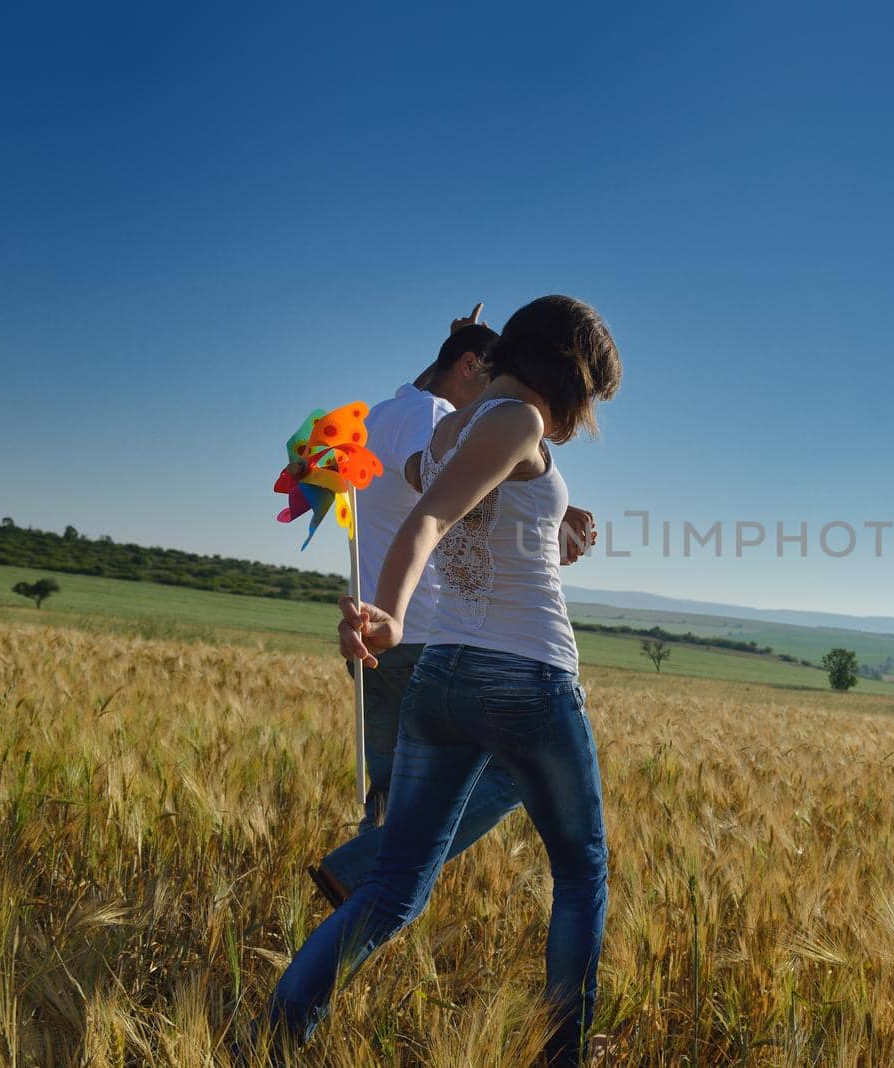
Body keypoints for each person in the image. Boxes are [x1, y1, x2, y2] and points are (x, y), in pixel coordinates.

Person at [260, 295, 622, 1066]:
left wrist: (554, 526)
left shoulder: (456, 428)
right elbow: (428, 517)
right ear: (568, 371)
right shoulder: (518, 420)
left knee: (393, 889)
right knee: (583, 872)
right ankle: (564, 1056)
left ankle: (276, 1033)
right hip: (528, 676)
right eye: (588, 394)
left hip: (446, 678)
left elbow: (461, 505)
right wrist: (388, 613)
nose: (581, 415)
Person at [308, 305, 596, 904]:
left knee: (391, 794)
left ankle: (359, 896)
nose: (493, 396)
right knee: (497, 782)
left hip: (374, 629)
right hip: (423, 631)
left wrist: (460, 343)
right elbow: (433, 482)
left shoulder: (380, 415)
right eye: (489, 376)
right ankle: (364, 868)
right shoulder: (436, 416)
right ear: (472, 369)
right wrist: (535, 490)